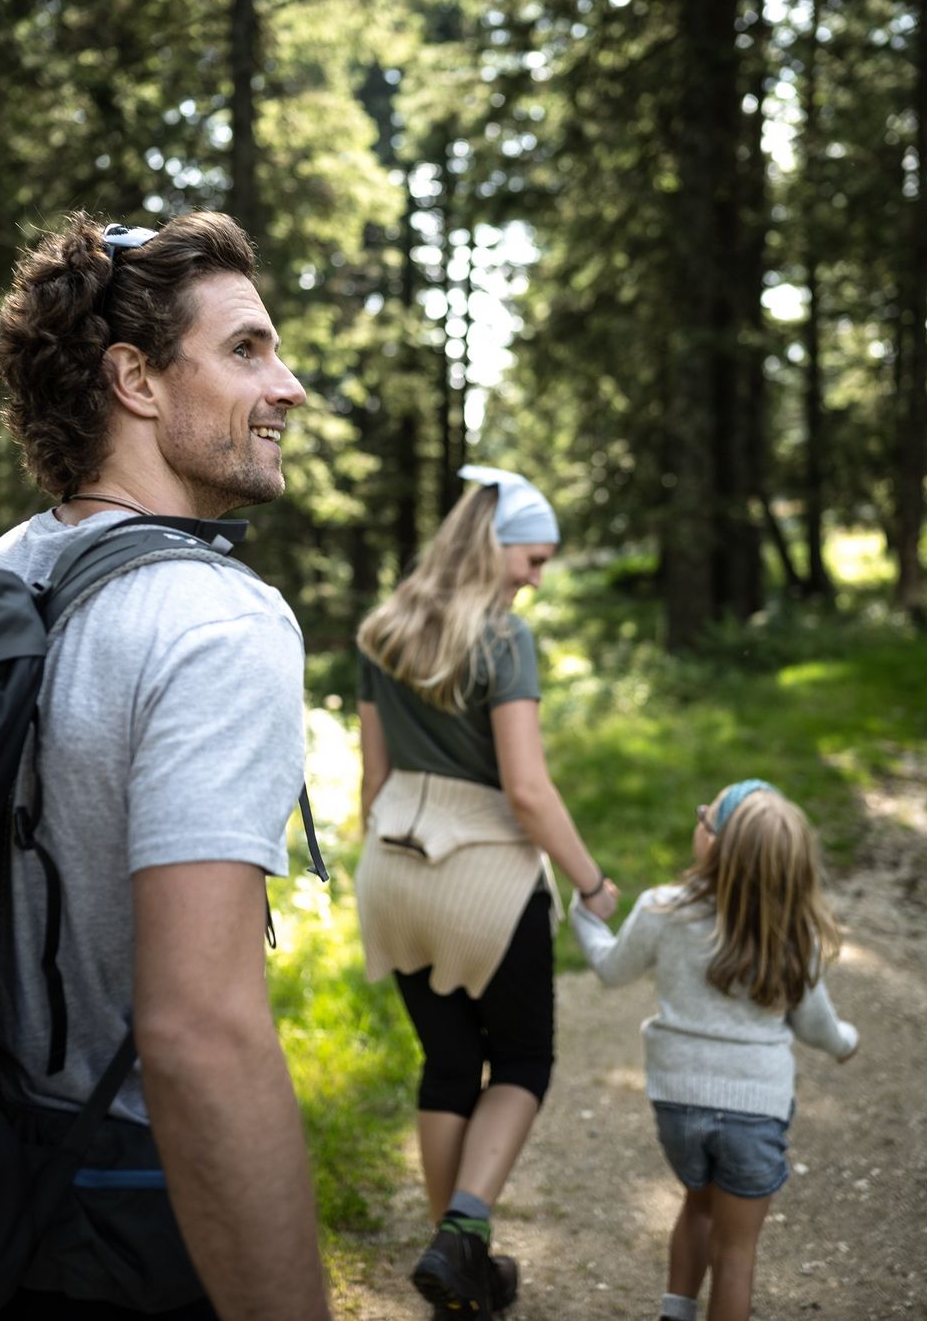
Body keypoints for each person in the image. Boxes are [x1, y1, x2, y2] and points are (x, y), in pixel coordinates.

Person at [0, 211, 332, 1320]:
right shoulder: (217, 624)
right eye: (246, 350)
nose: (290, 386)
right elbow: (199, 1032)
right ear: (134, 378)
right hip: (130, 1204)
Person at [354, 464, 618, 1319]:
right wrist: (592, 882)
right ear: (495, 547)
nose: (538, 580)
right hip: (486, 882)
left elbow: (371, 782)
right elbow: (528, 792)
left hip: (393, 869)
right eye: (533, 561)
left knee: (449, 1063)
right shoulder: (504, 639)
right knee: (525, 1060)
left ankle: (455, 1276)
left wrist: (389, 858)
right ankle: (464, 1232)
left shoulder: (384, 630)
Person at [571, 780, 859, 1321]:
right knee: (736, 1252)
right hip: (755, 1112)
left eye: (706, 817)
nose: (699, 819)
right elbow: (818, 1026)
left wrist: (586, 915)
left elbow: (611, 969)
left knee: (696, 1205)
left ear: (715, 845)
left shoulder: (664, 908)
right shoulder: (794, 933)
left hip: (677, 1105)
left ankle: (674, 1312)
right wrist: (847, 1042)